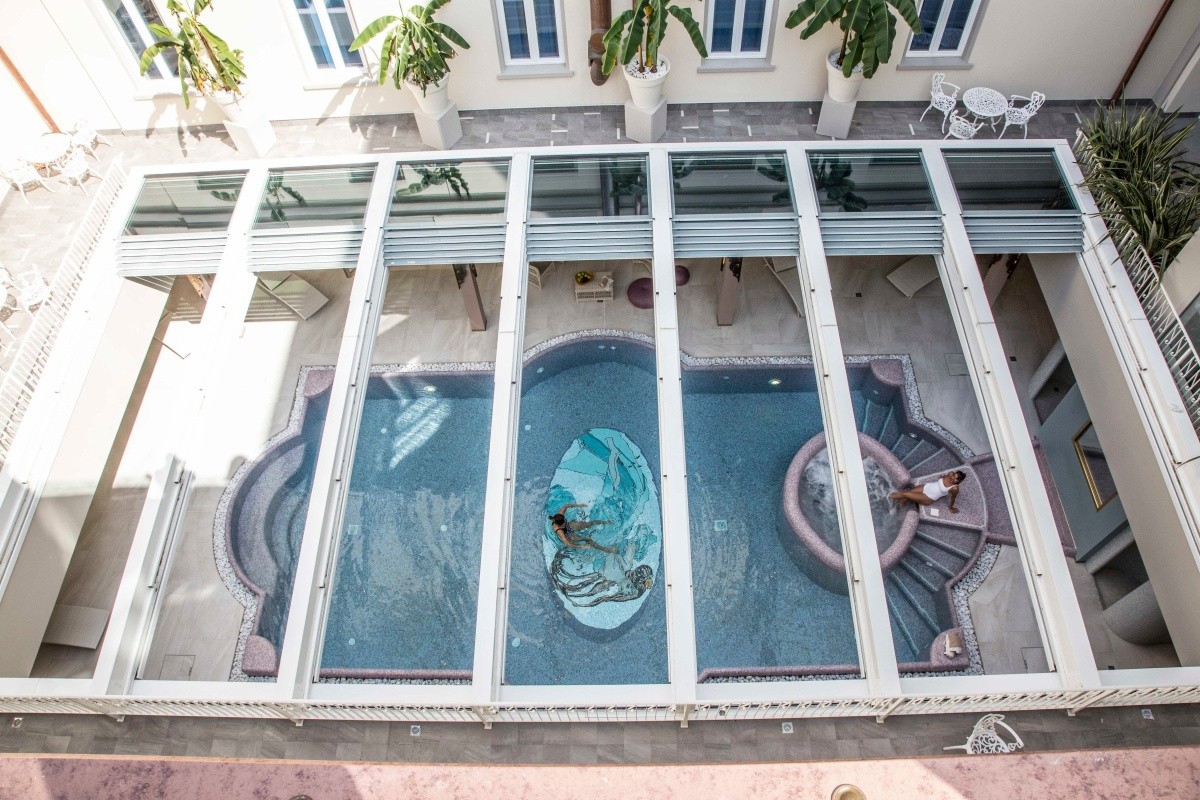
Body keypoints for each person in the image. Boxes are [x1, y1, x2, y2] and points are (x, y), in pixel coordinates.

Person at [889, 470, 966, 514]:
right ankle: (897, 509)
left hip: (929, 497)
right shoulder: (950, 474)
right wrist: (942, 477)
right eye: (954, 475)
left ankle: (888, 497)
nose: (952, 478)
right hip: (926, 487)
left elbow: (953, 498)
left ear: (959, 481)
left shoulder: (954, 488)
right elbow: (944, 476)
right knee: (907, 496)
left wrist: (951, 507)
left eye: (956, 479)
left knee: (905, 494)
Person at [549, 503, 616, 552]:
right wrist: (582, 546)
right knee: (587, 539)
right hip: (568, 535)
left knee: (590, 523)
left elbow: (566, 506)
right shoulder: (559, 531)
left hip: (569, 526)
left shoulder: (560, 516)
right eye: (564, 523)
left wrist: (579, 505)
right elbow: (568, 544)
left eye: (565, 521)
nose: (565, 522)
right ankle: (607, 550)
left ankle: (606, 522)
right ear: (559, 525)